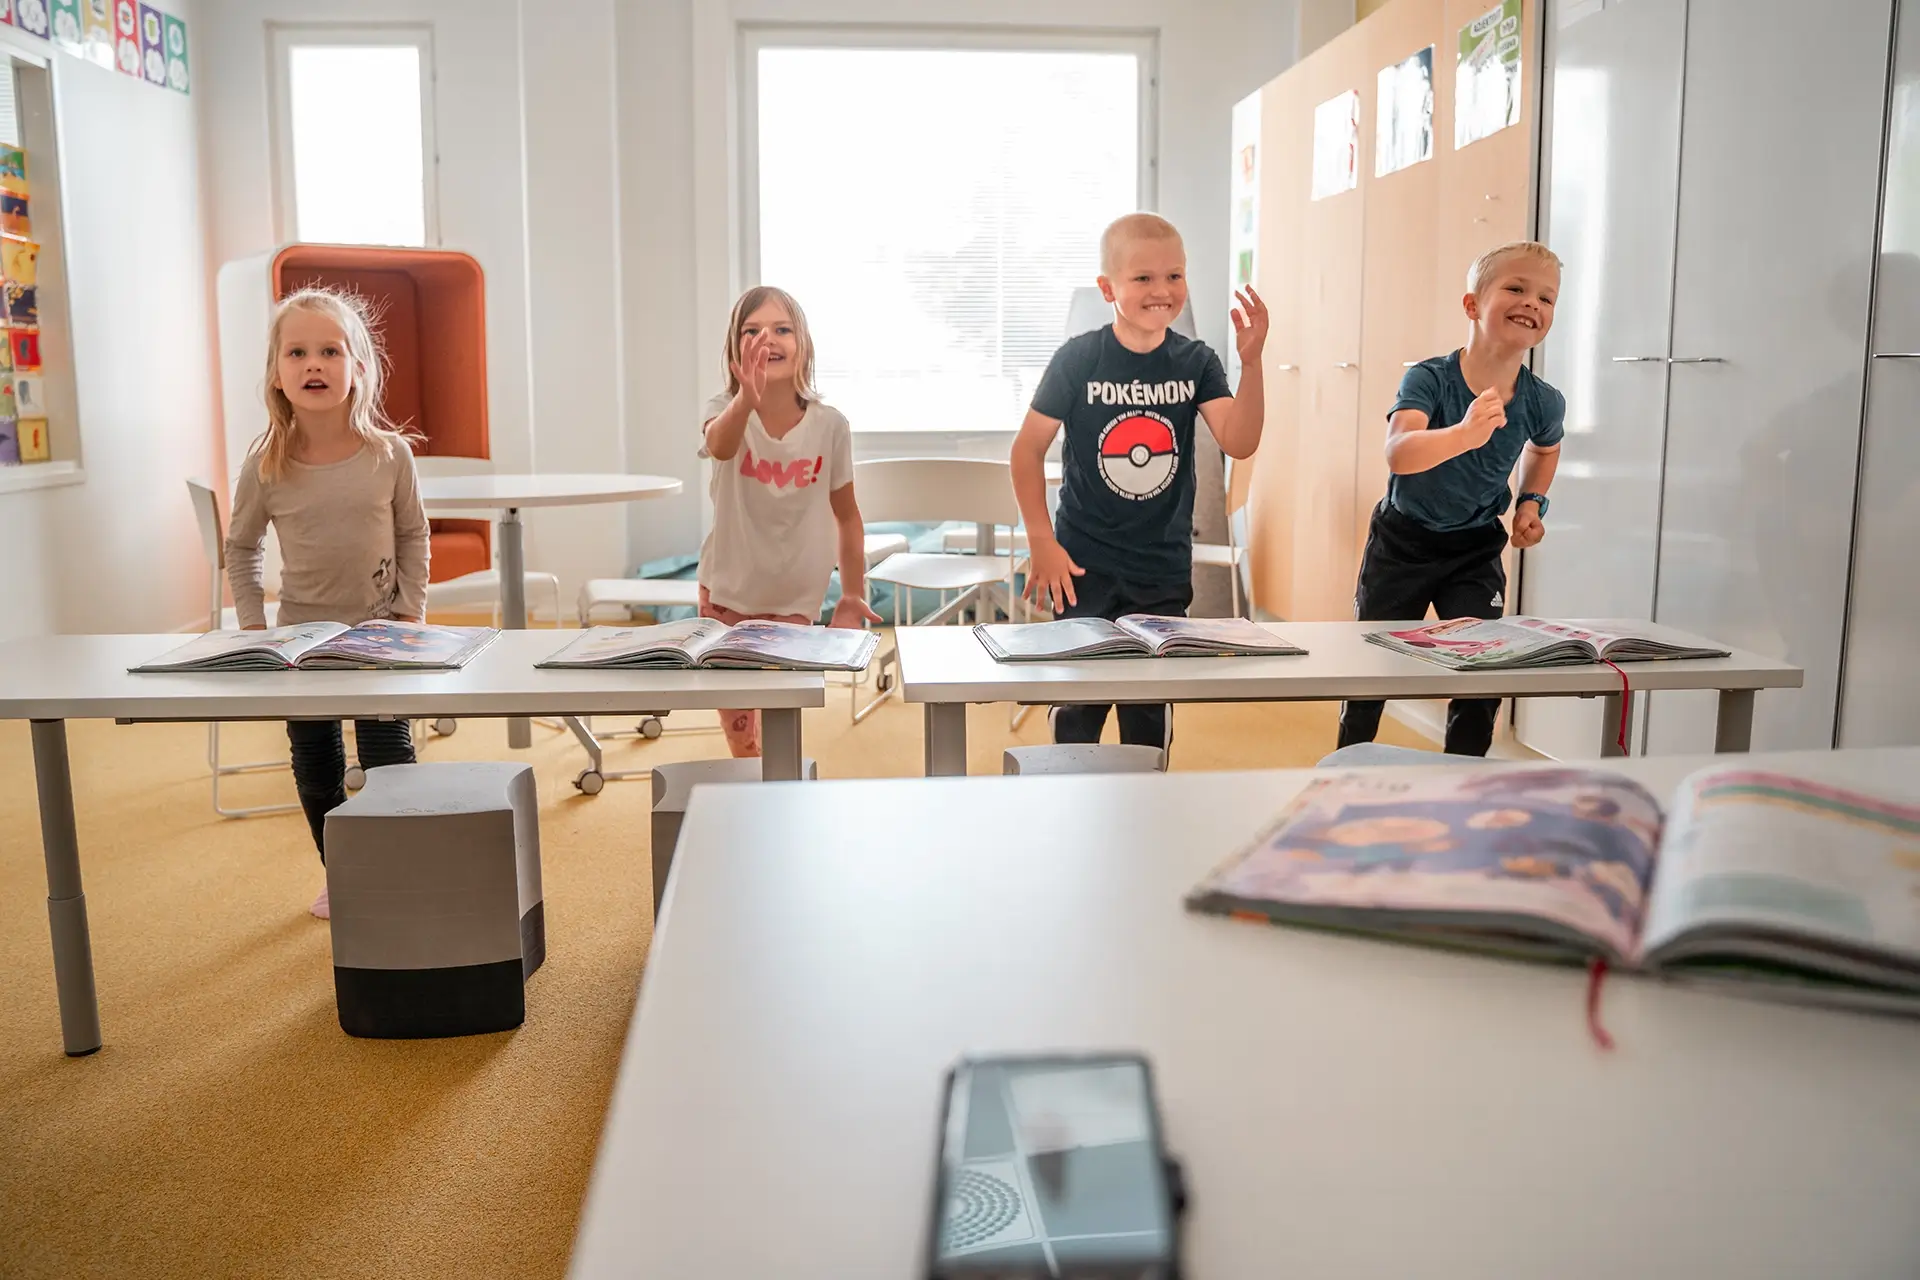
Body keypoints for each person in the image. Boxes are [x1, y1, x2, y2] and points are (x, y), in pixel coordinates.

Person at [1011, 212, 1268, 760]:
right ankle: (1072, 808)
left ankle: (1144, 816)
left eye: (1174, 276)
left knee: (1148, 711)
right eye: (1143, 278)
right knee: (1080, 706)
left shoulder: (1197, 361)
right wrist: (1041, 542)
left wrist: (1253, 362)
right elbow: (1026, 451)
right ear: (1109, 289)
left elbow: (1240, 441)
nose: (1162, 290)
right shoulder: (1078, 359)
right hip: (1081, 566)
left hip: (1162, 568)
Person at [227, 288, 430, 919]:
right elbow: (241, 549)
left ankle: (398, 869)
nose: (313, 363)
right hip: (300, 647)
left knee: (389, 758)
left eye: (329, 351)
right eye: (297, 352)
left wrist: (410, 613)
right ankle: (342, 870)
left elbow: (412, 534)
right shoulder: (266, 465)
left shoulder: (390, 455)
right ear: (277, 374)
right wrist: (255, 630)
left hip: (379, 640)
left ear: (357, 368)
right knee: (317, 764)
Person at [1337, 240, 1565, 757]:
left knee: (1484, 674)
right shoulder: (1430, 377)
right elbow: (1399, 453)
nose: (1532, 302)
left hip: (1475, 548)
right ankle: (1345, 767)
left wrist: (1531, 502)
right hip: (1403, 542)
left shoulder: (1542, 400)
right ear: (1472, 306)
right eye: (1516, 288)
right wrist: (1463, 434)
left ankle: (1465, 776)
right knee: (1371, 669)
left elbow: (1546, 449)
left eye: (1547, 298)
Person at [699, 285, 882, 757]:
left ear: (803, 344)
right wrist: (746, 398)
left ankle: (777, 802)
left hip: (794, 599)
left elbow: (847, 516)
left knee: (782, 718)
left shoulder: (831, 425)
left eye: (782, 329)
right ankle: (749, 798)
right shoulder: (723, 411)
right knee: (742, 732)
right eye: (753, 331)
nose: (769, 339)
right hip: (727, 595)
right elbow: (719, 446)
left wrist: (851, 594)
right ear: (735, 350)